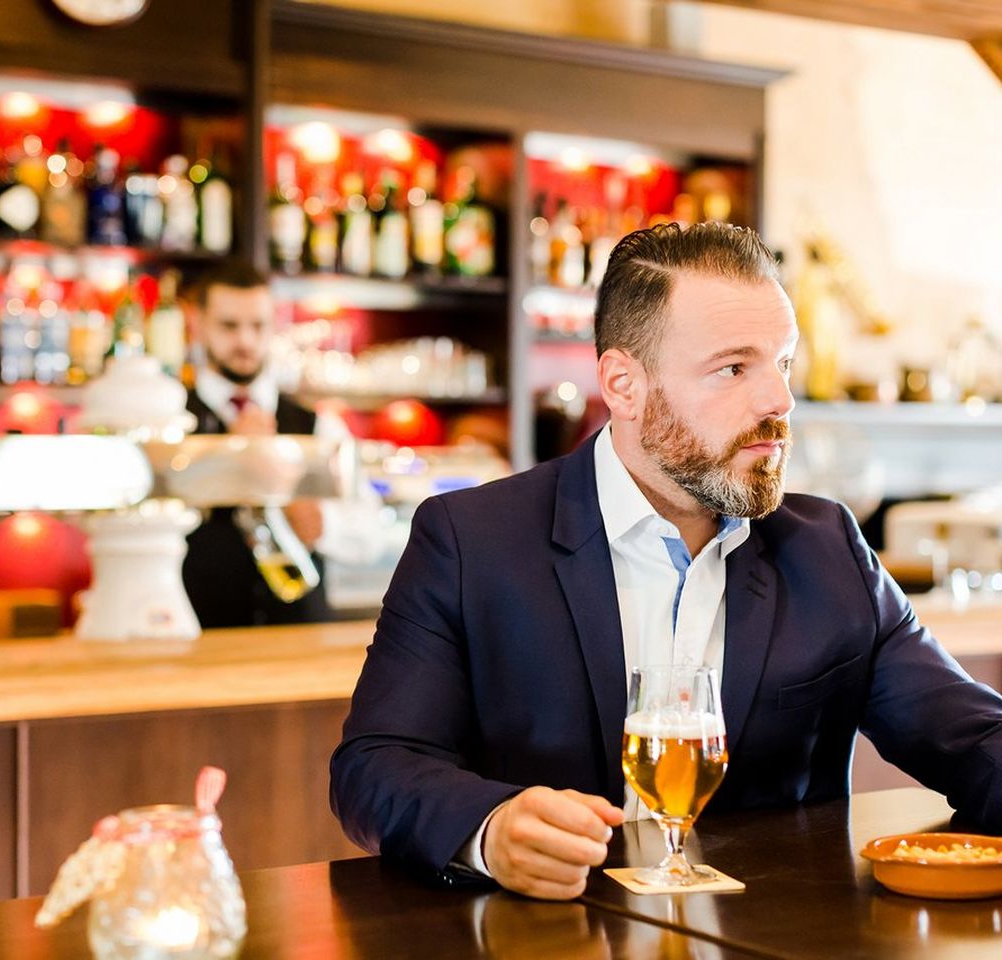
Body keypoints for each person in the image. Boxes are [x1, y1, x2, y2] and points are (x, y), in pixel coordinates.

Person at [330, 222, 1002, 900]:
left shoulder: (828, 548)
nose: (779, 400)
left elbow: (975, 740)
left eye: (784, 363)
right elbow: (376, 766)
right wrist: (490, 829)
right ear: (625, 386)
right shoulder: (472, 541)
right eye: (734, 368)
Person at [181, 259, 372, 628]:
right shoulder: (171, 420)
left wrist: (317, 520)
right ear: (196, 322)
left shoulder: (318, 425)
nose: (245, 341)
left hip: (300, 640)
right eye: (229, 326)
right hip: (198, 642)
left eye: (258, 326)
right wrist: (230, 459)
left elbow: (370, 534)